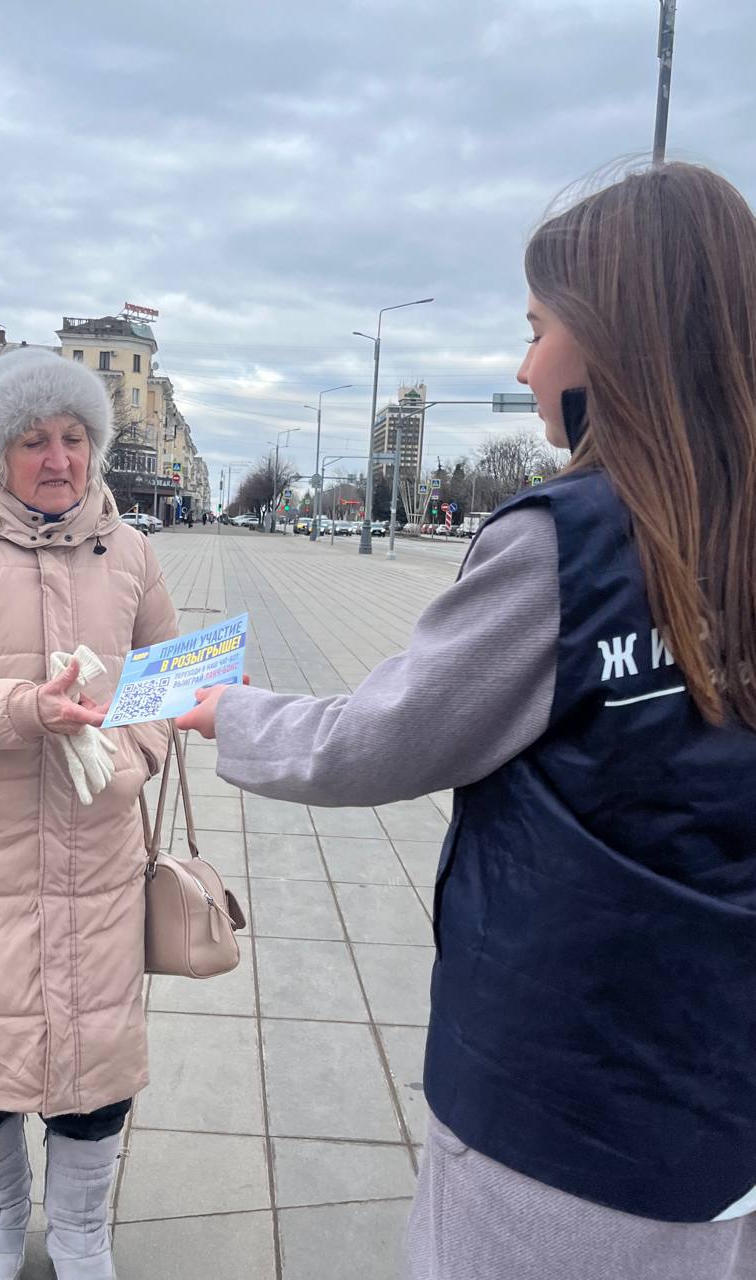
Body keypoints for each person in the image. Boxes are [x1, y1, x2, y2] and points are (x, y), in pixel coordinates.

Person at [178, 162, 756, 1280]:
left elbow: (378, 739)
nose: (521, 366)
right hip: (724, 1088)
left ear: (611, 339)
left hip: (565, 1094)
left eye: (536, 331)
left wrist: (232, 714)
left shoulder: (565, 544)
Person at [0, 346, 177, 1280]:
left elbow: (161, 682)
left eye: (74, 437)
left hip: (97, 844)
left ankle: (83, 1230)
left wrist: (135, 753)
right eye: (33, 440)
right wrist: (27, 708)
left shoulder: (131, 553)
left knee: (95, 1062)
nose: (59, 459)